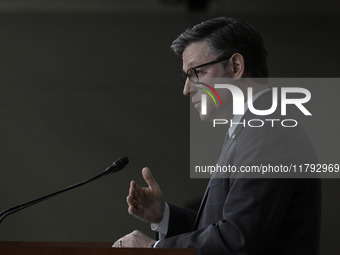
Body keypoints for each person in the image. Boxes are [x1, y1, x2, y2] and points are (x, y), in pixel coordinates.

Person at [113, 17, 321, 255]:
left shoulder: (268, 130)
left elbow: (239, 239)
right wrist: (164, 216)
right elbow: (228, 226)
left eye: (197, 72)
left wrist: (154, 247)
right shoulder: (254, 127)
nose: (187, 89)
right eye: (186, 76)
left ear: (235, 66)